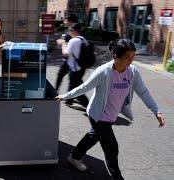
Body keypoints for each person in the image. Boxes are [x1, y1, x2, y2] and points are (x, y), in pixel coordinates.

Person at [55, 39, 165, 179]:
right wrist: (65, 96)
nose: (131, 61)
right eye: (127, 57)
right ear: (116, 56)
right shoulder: (104, 72)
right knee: (112, 148)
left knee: (93, 136)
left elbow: (143, 92)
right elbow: (84, 87)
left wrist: (157, 111)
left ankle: (74, 157)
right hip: (98, 115)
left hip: (111, 115)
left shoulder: (132, 72)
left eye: (133, 56)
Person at [61, 23, 89, 107]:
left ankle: (88, 105)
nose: (69, 32)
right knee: (74, 83)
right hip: (82, 67)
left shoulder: (73, 41)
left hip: (74, 68)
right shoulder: (84, 40)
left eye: (70, 30)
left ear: (75, 31)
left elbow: (65, 54)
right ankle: (69, 100)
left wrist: (63, 44)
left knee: (78, 88)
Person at [55, 14, 78, 92]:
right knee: (72, 79)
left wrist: (63, 43)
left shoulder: (72, 32)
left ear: (70, 21)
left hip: (71, 59)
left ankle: (56, 91)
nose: (64, 21)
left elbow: (67, 45)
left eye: (65, 20)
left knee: (64, 76)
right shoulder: (70, 30)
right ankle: (69, 98)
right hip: (70, 59)